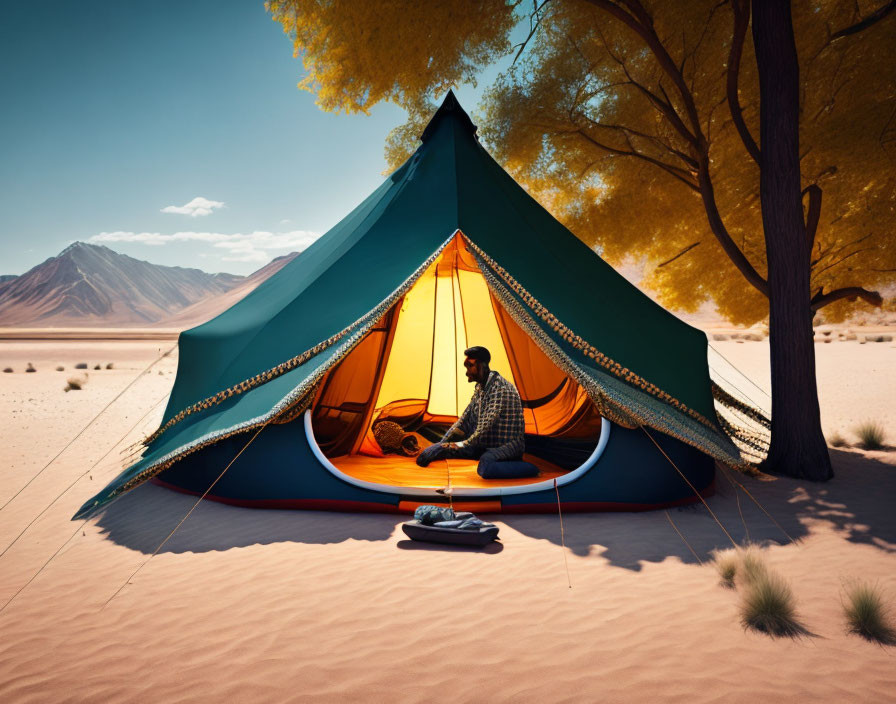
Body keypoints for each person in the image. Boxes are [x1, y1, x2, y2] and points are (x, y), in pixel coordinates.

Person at [415, 346, 537, 479]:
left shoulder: (500, 389)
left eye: (470, 366)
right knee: (436, 453)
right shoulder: (480, 387)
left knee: (485, 466)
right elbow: (465, 419)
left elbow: (484, 427)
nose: (467, 372)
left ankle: (532, 470)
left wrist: (451, 445)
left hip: (506, 446)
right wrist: (441, 444)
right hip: (484, 444)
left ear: (483, 365)